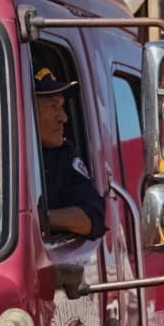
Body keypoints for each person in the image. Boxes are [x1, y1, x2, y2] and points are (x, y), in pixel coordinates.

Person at [34, 67, 106, 238]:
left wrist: (38, 219)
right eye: (53, 106)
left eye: (62, 106)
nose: (64, 117)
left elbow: (92, 218)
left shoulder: (62, 156)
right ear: (26, 111)